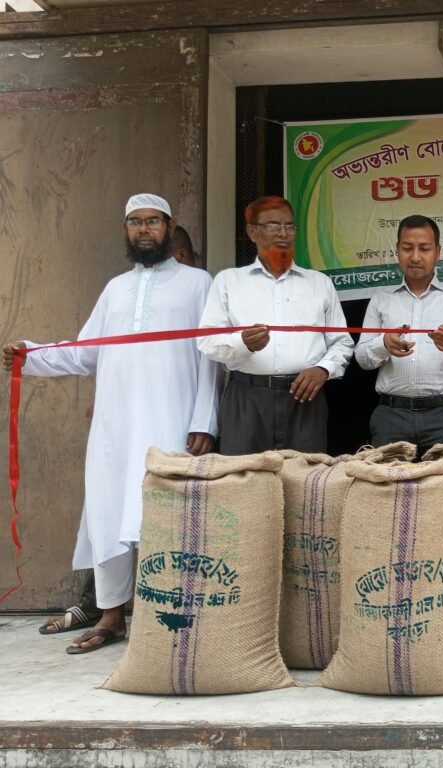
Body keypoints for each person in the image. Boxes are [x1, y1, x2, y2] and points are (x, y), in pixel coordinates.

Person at [2, 193, 220, 653]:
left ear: (169, 226)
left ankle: (172, 617)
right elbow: (85, 352)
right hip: (115, 424)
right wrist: (32, 355)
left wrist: (204, 419)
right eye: (135, 222)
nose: (144, 229)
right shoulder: (115, 289)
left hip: (172, 416)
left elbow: (210, 358)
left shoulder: (199, 283)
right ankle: (112, 616)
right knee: (107, 509)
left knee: (168, 514)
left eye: (153, 221)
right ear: (126, 230)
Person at [197, 196, 354, 454]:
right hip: (246, 399)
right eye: (273, 225)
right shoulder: (228, 282)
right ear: (252, 232)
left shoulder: (319, 283)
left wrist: (323, 369)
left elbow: (342, 342)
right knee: (244, 476)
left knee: (306, 476)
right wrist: (242, 343)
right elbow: (207, 341)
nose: (283, 233)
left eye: (289, 226)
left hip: (304, 400)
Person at [355, 215, 443, 455]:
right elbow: (362, 358)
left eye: (424, 248)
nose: (415, 257)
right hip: (392, 415)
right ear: (397, 250)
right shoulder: (381, 300)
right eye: (407, 248)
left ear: (437, 251)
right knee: (386, 479)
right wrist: (383, 344)